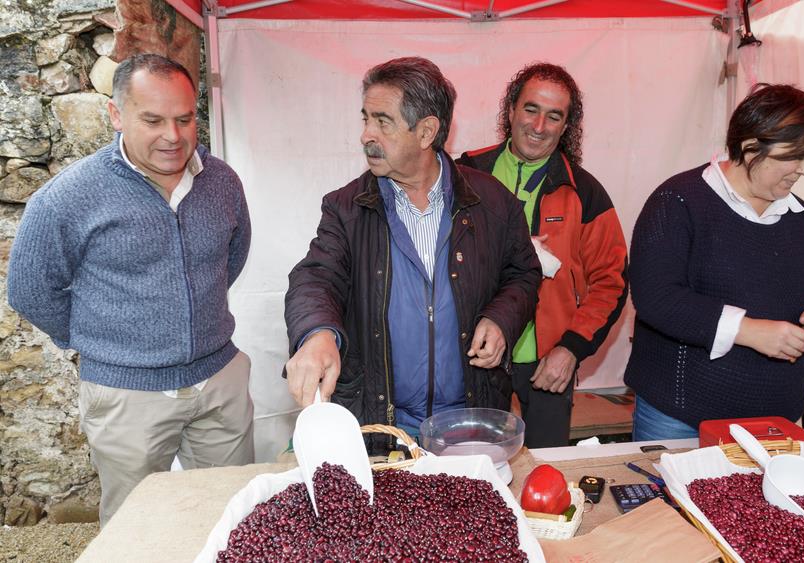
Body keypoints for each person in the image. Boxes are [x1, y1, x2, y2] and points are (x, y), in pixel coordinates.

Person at [7, 54, 254, 525]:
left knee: (232, 517)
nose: (173, 136)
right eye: (153, 120)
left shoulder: (221, 180)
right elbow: (30, 290)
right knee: (134, 529)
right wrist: (105, 342)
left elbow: (232, 256)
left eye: (185, 119)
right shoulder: (69, 196)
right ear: (116, 116)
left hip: (220, 381)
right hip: (126, 394)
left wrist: (196, 314)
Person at [284, 57, 541, 445]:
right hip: (384, 427)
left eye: (382, 121)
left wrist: (502, 318)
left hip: (467, 421)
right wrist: (318, 334)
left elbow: (523, 274)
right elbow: (316, 278)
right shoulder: (346, 208)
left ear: (426, 132)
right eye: (365, 118)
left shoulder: (492, 203)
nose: (366, 134)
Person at [625, 83, 804, 441]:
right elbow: (656, 296)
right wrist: (748, 331)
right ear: (751, 148)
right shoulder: (678, 201)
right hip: (681, 417)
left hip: (775, 421)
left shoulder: (802, 218)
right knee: (671, 499)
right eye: (795, 156)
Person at [458, 63, 628, 448]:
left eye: (554, 116)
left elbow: (611, 281)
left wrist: (571, 349)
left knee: (548, 471)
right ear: (511, 111)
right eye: (531, 109)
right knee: (475, 469)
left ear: (566, 126)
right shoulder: (464, 173)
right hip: (474, 356)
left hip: (548, 361)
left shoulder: (584, 191)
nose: (539, 126)